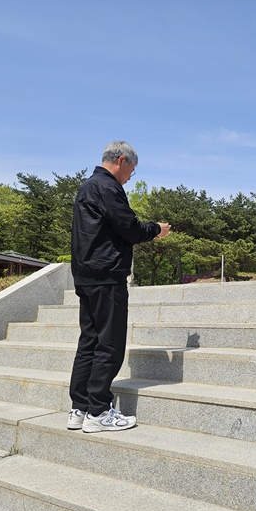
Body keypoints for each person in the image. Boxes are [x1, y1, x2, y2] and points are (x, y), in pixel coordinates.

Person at [67, 141, 171, 433]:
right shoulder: (108, 187)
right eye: (131, 171)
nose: (129, 178)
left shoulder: (87, 187)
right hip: (107, 275)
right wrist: (156, 230)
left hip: (86, 276)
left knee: (89, 342)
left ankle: (80, 408)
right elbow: (129, 228)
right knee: (109, 344)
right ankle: (99, 412)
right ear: (122, 160)